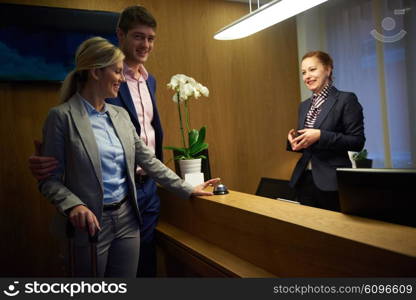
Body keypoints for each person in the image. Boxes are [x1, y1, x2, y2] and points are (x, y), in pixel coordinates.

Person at [39, 36, 219, 277]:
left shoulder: (121, 115)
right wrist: (74, 205)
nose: (122, 79)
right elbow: (48, 179)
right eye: (117, 72)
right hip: (91, 225)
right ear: (95, 72)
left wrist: (187, 188)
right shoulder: (61, 117)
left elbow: (148, 160)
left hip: (127, 219)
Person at [29, 6, 165, 277]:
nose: (145, 44)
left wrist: (185, 187)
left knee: (145, 264)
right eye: (139, 37)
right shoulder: (97, 87)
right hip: (103, 202)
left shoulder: (150, 82)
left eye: (150, 38)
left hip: (145, 190)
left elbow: (146, 141)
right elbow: (66, 152)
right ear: (120, 35)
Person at [287, 51, 365, 211]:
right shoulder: (303, 105)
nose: (307, 76)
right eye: (303, 72)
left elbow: (357, 142)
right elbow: (308, 144)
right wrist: (294, 142)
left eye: (312, 69)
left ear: (328, 70)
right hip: (303, 180)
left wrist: (321, 135)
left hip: (332, 182)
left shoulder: (346, 99)